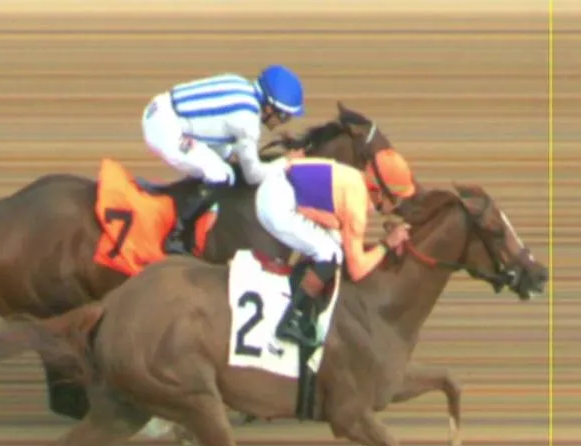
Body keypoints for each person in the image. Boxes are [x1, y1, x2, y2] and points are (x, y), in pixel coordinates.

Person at [254, 148, 417, 348]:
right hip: (276, 205)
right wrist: (386, 244)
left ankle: (302, 287)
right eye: (396, 199)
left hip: (279, 187)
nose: (397, 205)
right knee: (331, 254)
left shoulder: (355, 180)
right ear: (380, 193)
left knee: (333, 240)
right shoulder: (356, 207)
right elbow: (357, 270)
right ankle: (291, 320)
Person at [141, 65, 306, 255]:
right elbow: (253, 176)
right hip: (165, 130)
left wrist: (229, 155)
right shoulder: (248, 122)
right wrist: (285, 162)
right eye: (284, 117)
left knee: (223, 157)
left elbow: (217, 128)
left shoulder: (240, 82)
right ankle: (177, 234)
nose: (281, 123)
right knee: (222, 175)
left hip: (160, 108)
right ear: (269, 108)